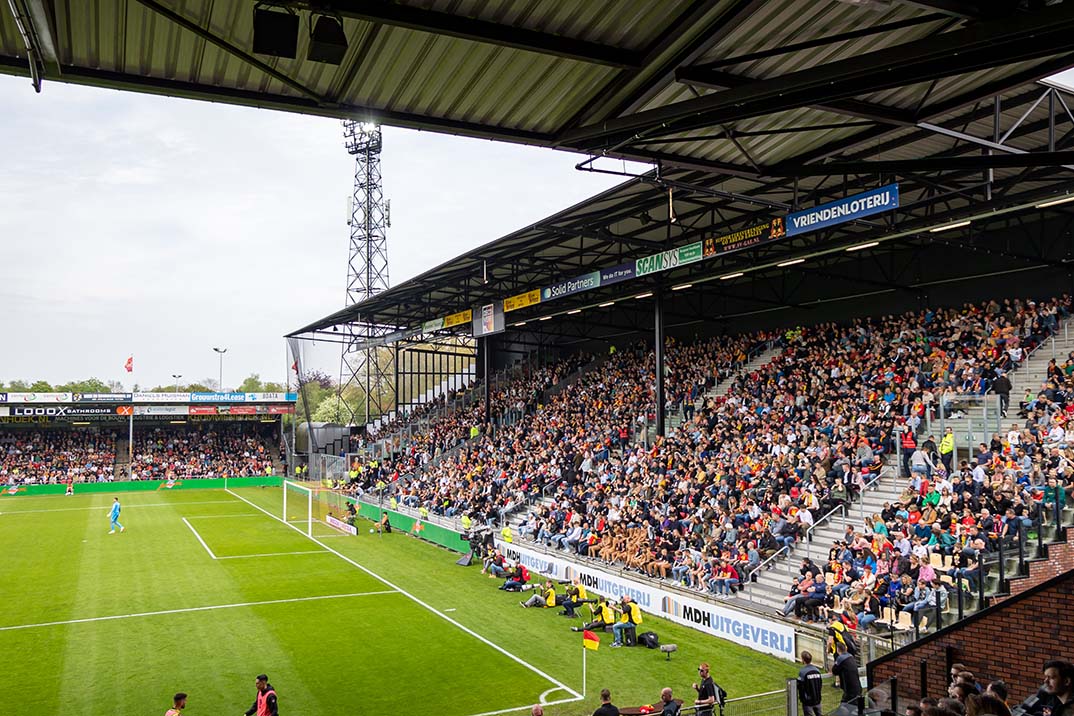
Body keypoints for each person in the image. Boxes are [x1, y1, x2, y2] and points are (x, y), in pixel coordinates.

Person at [831, 642, 862, 711]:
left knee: (844, 708)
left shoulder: (840, 658)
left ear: (838, 650)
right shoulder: (850, 656)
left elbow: (834, 670)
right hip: (857, 687)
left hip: (850, 690)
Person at [798, 651, 824, 716]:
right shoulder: (817, 671)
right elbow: (820, 684)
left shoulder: (803, 672)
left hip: (808, 702)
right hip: (817, 699)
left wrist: (803, 699)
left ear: (803, 660)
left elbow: (800, 687)